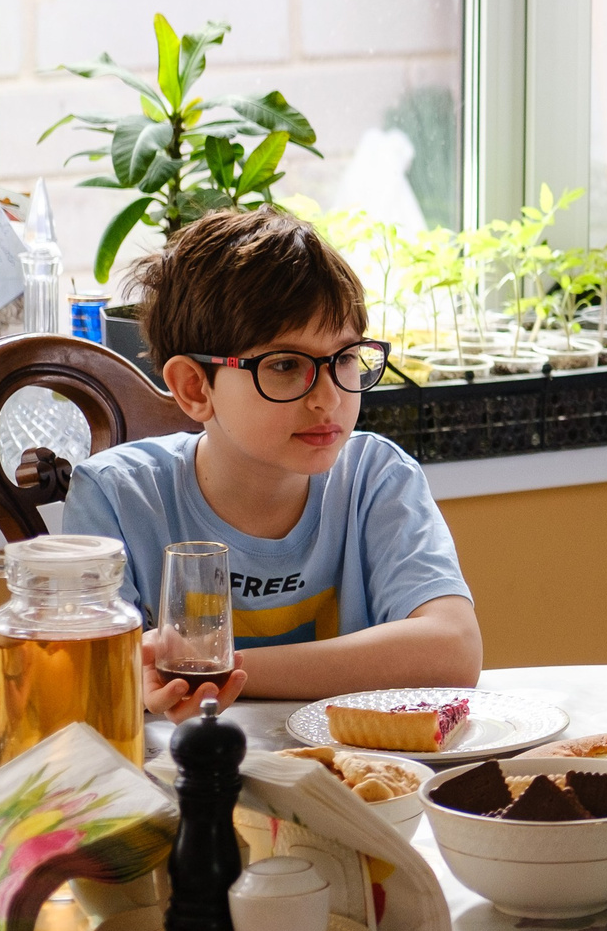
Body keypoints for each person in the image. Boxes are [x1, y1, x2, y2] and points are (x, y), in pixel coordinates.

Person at [64, 208, 483, 720]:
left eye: (346, 358)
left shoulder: (375, 477)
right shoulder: (114, 497)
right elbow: (94, 684)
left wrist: (215, 669)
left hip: (347, 781)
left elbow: (453, 650)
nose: (328, 398)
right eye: (285, 366)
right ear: (195, 387)